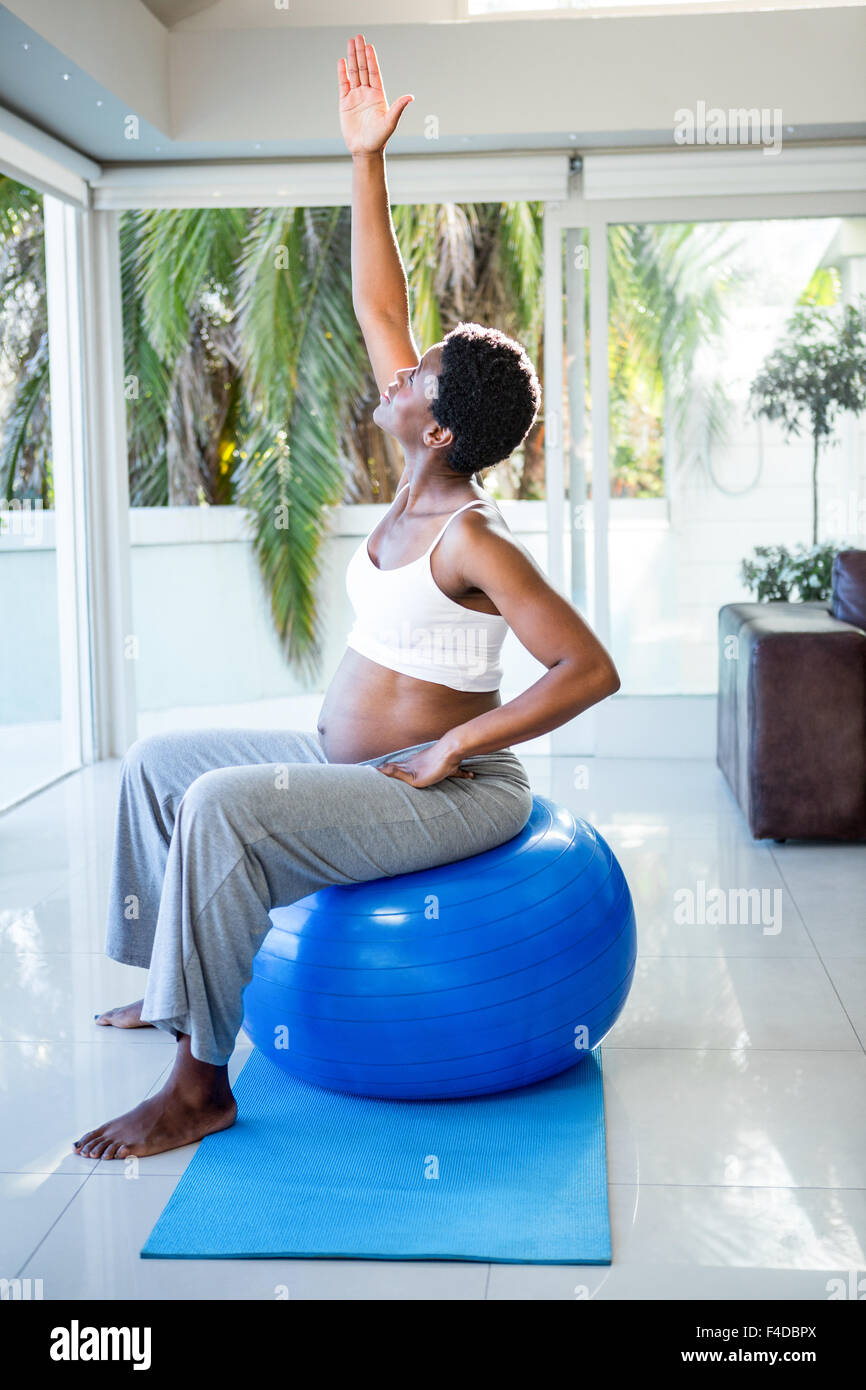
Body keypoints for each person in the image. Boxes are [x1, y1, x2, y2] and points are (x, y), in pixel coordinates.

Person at [73, 33, 619, 1161]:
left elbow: (589, 666)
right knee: (156, 768)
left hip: (443, 792)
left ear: (440, 428)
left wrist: (457, 743)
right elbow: (381, 302)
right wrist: (366, 161)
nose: (396, 372)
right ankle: (161, 986)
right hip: (351, 767)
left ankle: (198, 1084)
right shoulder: (408, 472)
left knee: (222, 805)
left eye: (414, 378)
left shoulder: (475, 541)